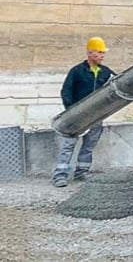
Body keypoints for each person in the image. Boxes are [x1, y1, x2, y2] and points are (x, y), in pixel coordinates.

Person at [53, 37, 114, 188]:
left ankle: (82, 172)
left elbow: (117, 83)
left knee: (89, 145)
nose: (102, 56)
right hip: (77, 116)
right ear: (90, 53)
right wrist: (71, 110)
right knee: (69, 144)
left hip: (96, 116)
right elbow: (66, 91)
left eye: (102, 53)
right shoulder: (77, 71)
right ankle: (60, 175)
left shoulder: (105, 72)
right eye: (99, 53)